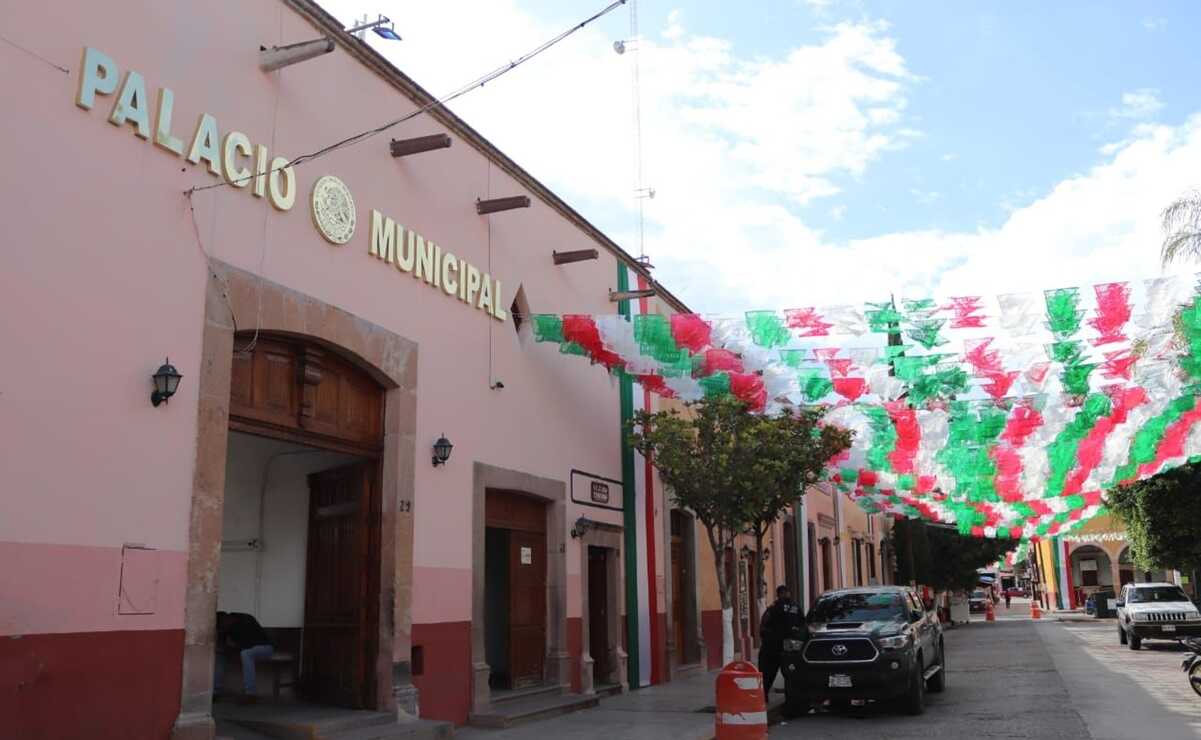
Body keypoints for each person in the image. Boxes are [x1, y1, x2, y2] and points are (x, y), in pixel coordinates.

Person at [758, 585, 805, 702]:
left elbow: (763, 626)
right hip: (790, 646)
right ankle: (792, 699)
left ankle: (763, 696)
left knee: (768, 673)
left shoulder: (773, 608)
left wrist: (767, 639)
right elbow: (803, 625)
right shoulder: (795, 607)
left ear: (778, 595)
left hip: (772, 646)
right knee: (790, 674)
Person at [215, 611, 275, 703]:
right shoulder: (226, 627)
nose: (224, 629)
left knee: (246, 653)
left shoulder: (246, 619)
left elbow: (248, 644)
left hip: (265, 648)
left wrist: (232, 648)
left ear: (227, 618)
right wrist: (222, 648)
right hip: (245, 648)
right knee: (220, 655)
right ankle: (215, 691)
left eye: (223, 626)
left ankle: (250, 693)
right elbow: (224, 645)